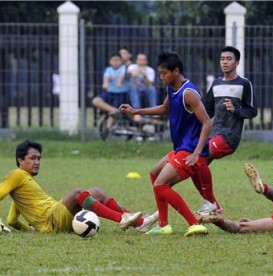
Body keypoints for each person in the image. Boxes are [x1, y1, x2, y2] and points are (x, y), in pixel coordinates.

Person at [119, 51, 212, 237]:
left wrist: (197, 152)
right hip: (181, 148)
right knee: (154, 174)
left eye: (164, 73)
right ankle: (163, 225)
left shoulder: (189, 93)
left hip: (191, 151)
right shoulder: (172, 88)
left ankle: (194, 224)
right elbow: (164, 108)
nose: (161, 77)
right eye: (160, 73)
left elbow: (207, 122)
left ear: (176, 71)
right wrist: (136, 111)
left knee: (161, 185)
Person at [0, 140, 158, 234]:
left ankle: (139, 223)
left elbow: (11, 221)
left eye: (39, 158)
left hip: (55, 215)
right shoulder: (17, 175)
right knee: (78, 193)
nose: (37, 162)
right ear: (20, 160)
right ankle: (121, 219)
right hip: (52, 220)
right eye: (33, 158)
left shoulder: (21, 188)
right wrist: (37, 228)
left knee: (96, 192)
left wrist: (30, 230)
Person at [192, 46, 258, 215]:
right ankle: (213, 205)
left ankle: (211, 204)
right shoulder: (216, 83)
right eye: (222, 59)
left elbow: (252, 111)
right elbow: (207, 111)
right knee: (192, 167)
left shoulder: (244, 83)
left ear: (237, 62)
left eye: (229, 59)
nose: (225, 62)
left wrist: (235, 110)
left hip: (229, 137)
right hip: (213, 134)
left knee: (198, 158)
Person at [91, 53, 129, 139]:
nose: (115, 62)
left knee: (112, 116)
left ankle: (107, 129)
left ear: (121, 61)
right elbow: (106, 78)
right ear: (110, 62)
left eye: (117, 60)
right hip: (109, 92)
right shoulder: (108, 70)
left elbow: (122, 76)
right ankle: (114, 110)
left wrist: (119, 82)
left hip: (120, 93)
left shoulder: (124, 68)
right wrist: (105, 83)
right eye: (113, 60)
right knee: (96, 101)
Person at [127, 53, 158, 125]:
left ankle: (154, 111)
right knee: (133, 87)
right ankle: (136, 112)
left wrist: (144, 75)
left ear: (146, 61)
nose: (142, 62)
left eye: (144, 60)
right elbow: (128, 73)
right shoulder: (132, 67)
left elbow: (149, 84)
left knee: (152, 89)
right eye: (140, 60)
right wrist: (132, 73)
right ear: (136, 61)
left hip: (145, 91)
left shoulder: (150, 70)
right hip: (133, 92)